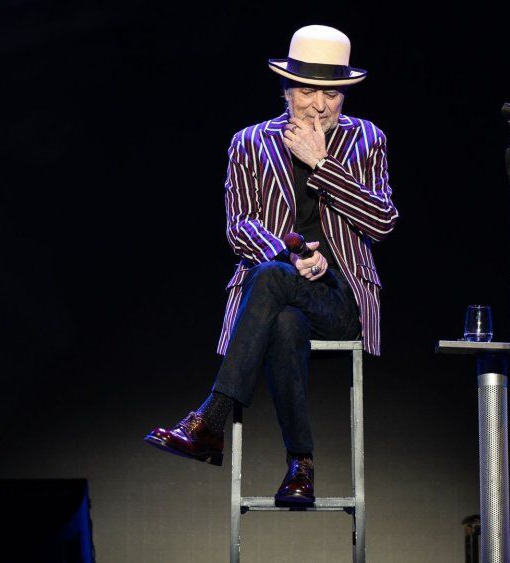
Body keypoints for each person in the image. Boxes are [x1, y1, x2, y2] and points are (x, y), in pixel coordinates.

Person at [144, 24, 398, 505]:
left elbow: (383, 222)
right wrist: (293, 256)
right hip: (279, 283)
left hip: (341, 298)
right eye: (307, 90)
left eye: (332, 93)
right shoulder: (249, 143)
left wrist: (322, 165)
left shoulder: (368, 139)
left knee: (271, 283)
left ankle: (209, 419)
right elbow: (238, 226)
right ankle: (301, 465)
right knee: (280, 315)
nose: (320, 105)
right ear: (286, 89)